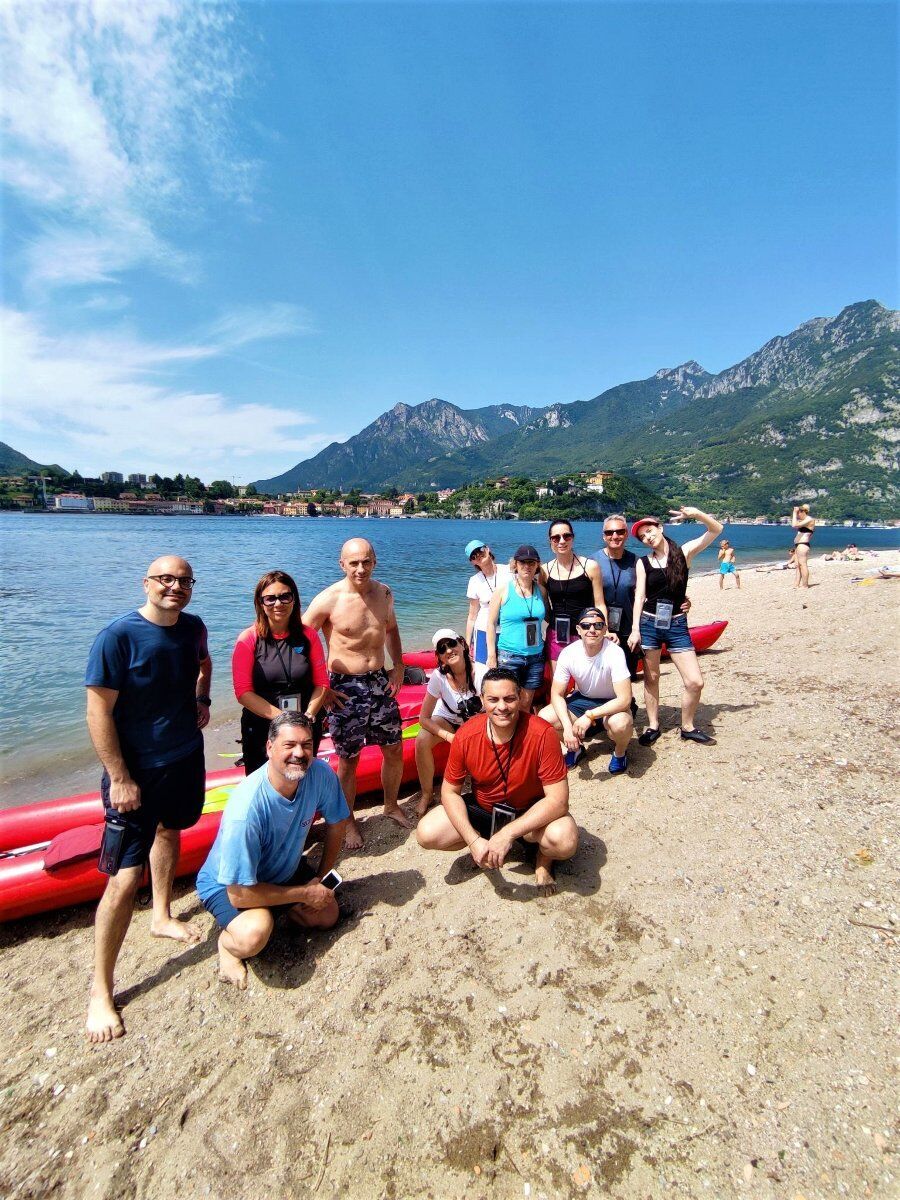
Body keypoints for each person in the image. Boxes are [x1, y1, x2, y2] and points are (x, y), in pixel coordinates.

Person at [84, 555, 212, 1042]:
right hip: (134, 772)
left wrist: (202, 699)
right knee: (122, 877)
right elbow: (97, 711)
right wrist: (118, 775)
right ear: (147, 583)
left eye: (183, 581)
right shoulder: (117, 637)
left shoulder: (194, 627)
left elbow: (204, 661)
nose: (174, 587)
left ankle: (160, 915)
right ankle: (101, 988)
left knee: (171, 831)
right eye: (165, 579)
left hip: (183, 757)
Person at [196, 713, 348, 990]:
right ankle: (227, 946)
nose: (299, 753)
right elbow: (238, 894)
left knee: (328, 915)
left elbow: (337, 825)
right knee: (254, 936)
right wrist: (303, 894)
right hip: (228, 884)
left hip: (282, 869)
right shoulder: (247, 809)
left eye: (307, 744)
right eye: (289, 745)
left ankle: (280, 910)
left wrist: (320, 880)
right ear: (269, 748)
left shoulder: (320, 773)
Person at [416, 668, 578, 895]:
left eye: (509, 698)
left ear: (520, 697)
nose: (501, 707)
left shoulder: (542, 734)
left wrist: (507, 833)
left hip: (529, 812)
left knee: (564, 840)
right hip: (485, 809)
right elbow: (449, 792)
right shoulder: (466, 735)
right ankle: (484, 845)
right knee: (426, 833)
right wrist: (473, 841)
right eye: (493, 699)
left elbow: (559, 801)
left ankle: (543, 860)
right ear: (482, 700)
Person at [304, 538, 408, 849]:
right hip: (344, 688)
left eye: (366, 561)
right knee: (348, 760)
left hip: (379, 681)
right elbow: (301, 641)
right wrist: (321, 686)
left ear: (374, 562)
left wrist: (399, 666)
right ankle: (348, 822)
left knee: (393, 748)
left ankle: (390, 805)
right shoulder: (328, 599)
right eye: (354, 563)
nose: (360, 568)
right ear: (342, 565)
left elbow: (391, 629)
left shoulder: (384, 592)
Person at [628, 508, 723, 745]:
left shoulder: (684, 553)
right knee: (652, 678)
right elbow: (639, 596)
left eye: (649, 531)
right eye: (642, 537)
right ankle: (652, 725)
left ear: (660, 528)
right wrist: (635, 629)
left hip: (677, 624)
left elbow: (716, 529)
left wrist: (696, 514)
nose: (647, 537)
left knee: (694, 681)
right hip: (649, 622)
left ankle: (688, 726)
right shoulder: (643, 562)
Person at [232, 571, 329, 773]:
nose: (278, 603)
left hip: (305, 724)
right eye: (270, 598)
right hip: (262, 726)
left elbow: (322, 683)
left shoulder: (308, 636)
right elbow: (243, 692)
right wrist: (282, 719)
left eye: (285, 596)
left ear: (294, 599)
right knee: (263, 785)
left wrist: (309, 714)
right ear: (260, 603)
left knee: (301, 780)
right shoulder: (248, 639)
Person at [538, 607, 633, 775]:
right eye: (586, 625)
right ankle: (576, 749)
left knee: (621, 725)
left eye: (598, 625)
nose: (592, 630)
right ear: (578, 629)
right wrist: (568, 728)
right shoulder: (568, 653)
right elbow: (557, 694)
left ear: (605, 629)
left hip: (611, 701)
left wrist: (590, 715)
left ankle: (620, 752)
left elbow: (624, 699)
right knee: (545, 718)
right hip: (583, 698)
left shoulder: (615, 653)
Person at [414, 628, 487, 817]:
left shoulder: (482, 672)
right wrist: (448, 736)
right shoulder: (438, 677)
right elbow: (424, 718)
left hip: (476, 722)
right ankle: (427, 794)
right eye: (442, 648)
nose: (448, 650)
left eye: (452, 644)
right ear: (439, 657)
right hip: (448, 719)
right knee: (422, 740)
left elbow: (493, 710)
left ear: (462, 644)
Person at [485, 544, 548, 712]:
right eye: (522, 562)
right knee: (507, 704)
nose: (527, 566)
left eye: (531, 562)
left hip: (535, 656)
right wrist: (491, 656)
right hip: (509, 656)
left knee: (525, 705)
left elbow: (548, 618)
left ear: (537, 565)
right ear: (515, 565)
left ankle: (521, 738)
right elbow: (490, 624)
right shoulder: (503, 590)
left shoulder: (541, 591)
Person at [542, 519, 608, 662]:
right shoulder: (545, 570)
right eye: (556, 537)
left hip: (586, 632)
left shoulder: (590, 567)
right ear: (550, 541)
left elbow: (600, 603)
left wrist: (604, 629)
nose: (561, 541)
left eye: (567, 536)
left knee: (584, 680)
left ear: (573, 538)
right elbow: (545, 606)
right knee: (559, 681)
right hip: (557, 634)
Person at [464, 540, 510, 665]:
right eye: (473, 556)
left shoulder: (509, 571)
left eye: (480, 551)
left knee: (508, 668)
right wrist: (467, 644)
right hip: (483, 630)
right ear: (472, 562)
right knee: (483, 669)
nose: (478, 556)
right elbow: (472, 616)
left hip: (507, 629)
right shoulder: (474, 581)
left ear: (488, 549)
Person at [791, 504, 815, 589]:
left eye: (798, 513)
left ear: (803, 511)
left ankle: (805, 585)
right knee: (798, 565)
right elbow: (796, 524)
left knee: (803, 565)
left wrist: (794, 513)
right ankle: (796, 584)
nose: (797, 515)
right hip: (798, 545)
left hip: (803, 545)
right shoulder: (803, 520)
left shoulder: (809, 519)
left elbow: (794, 525)